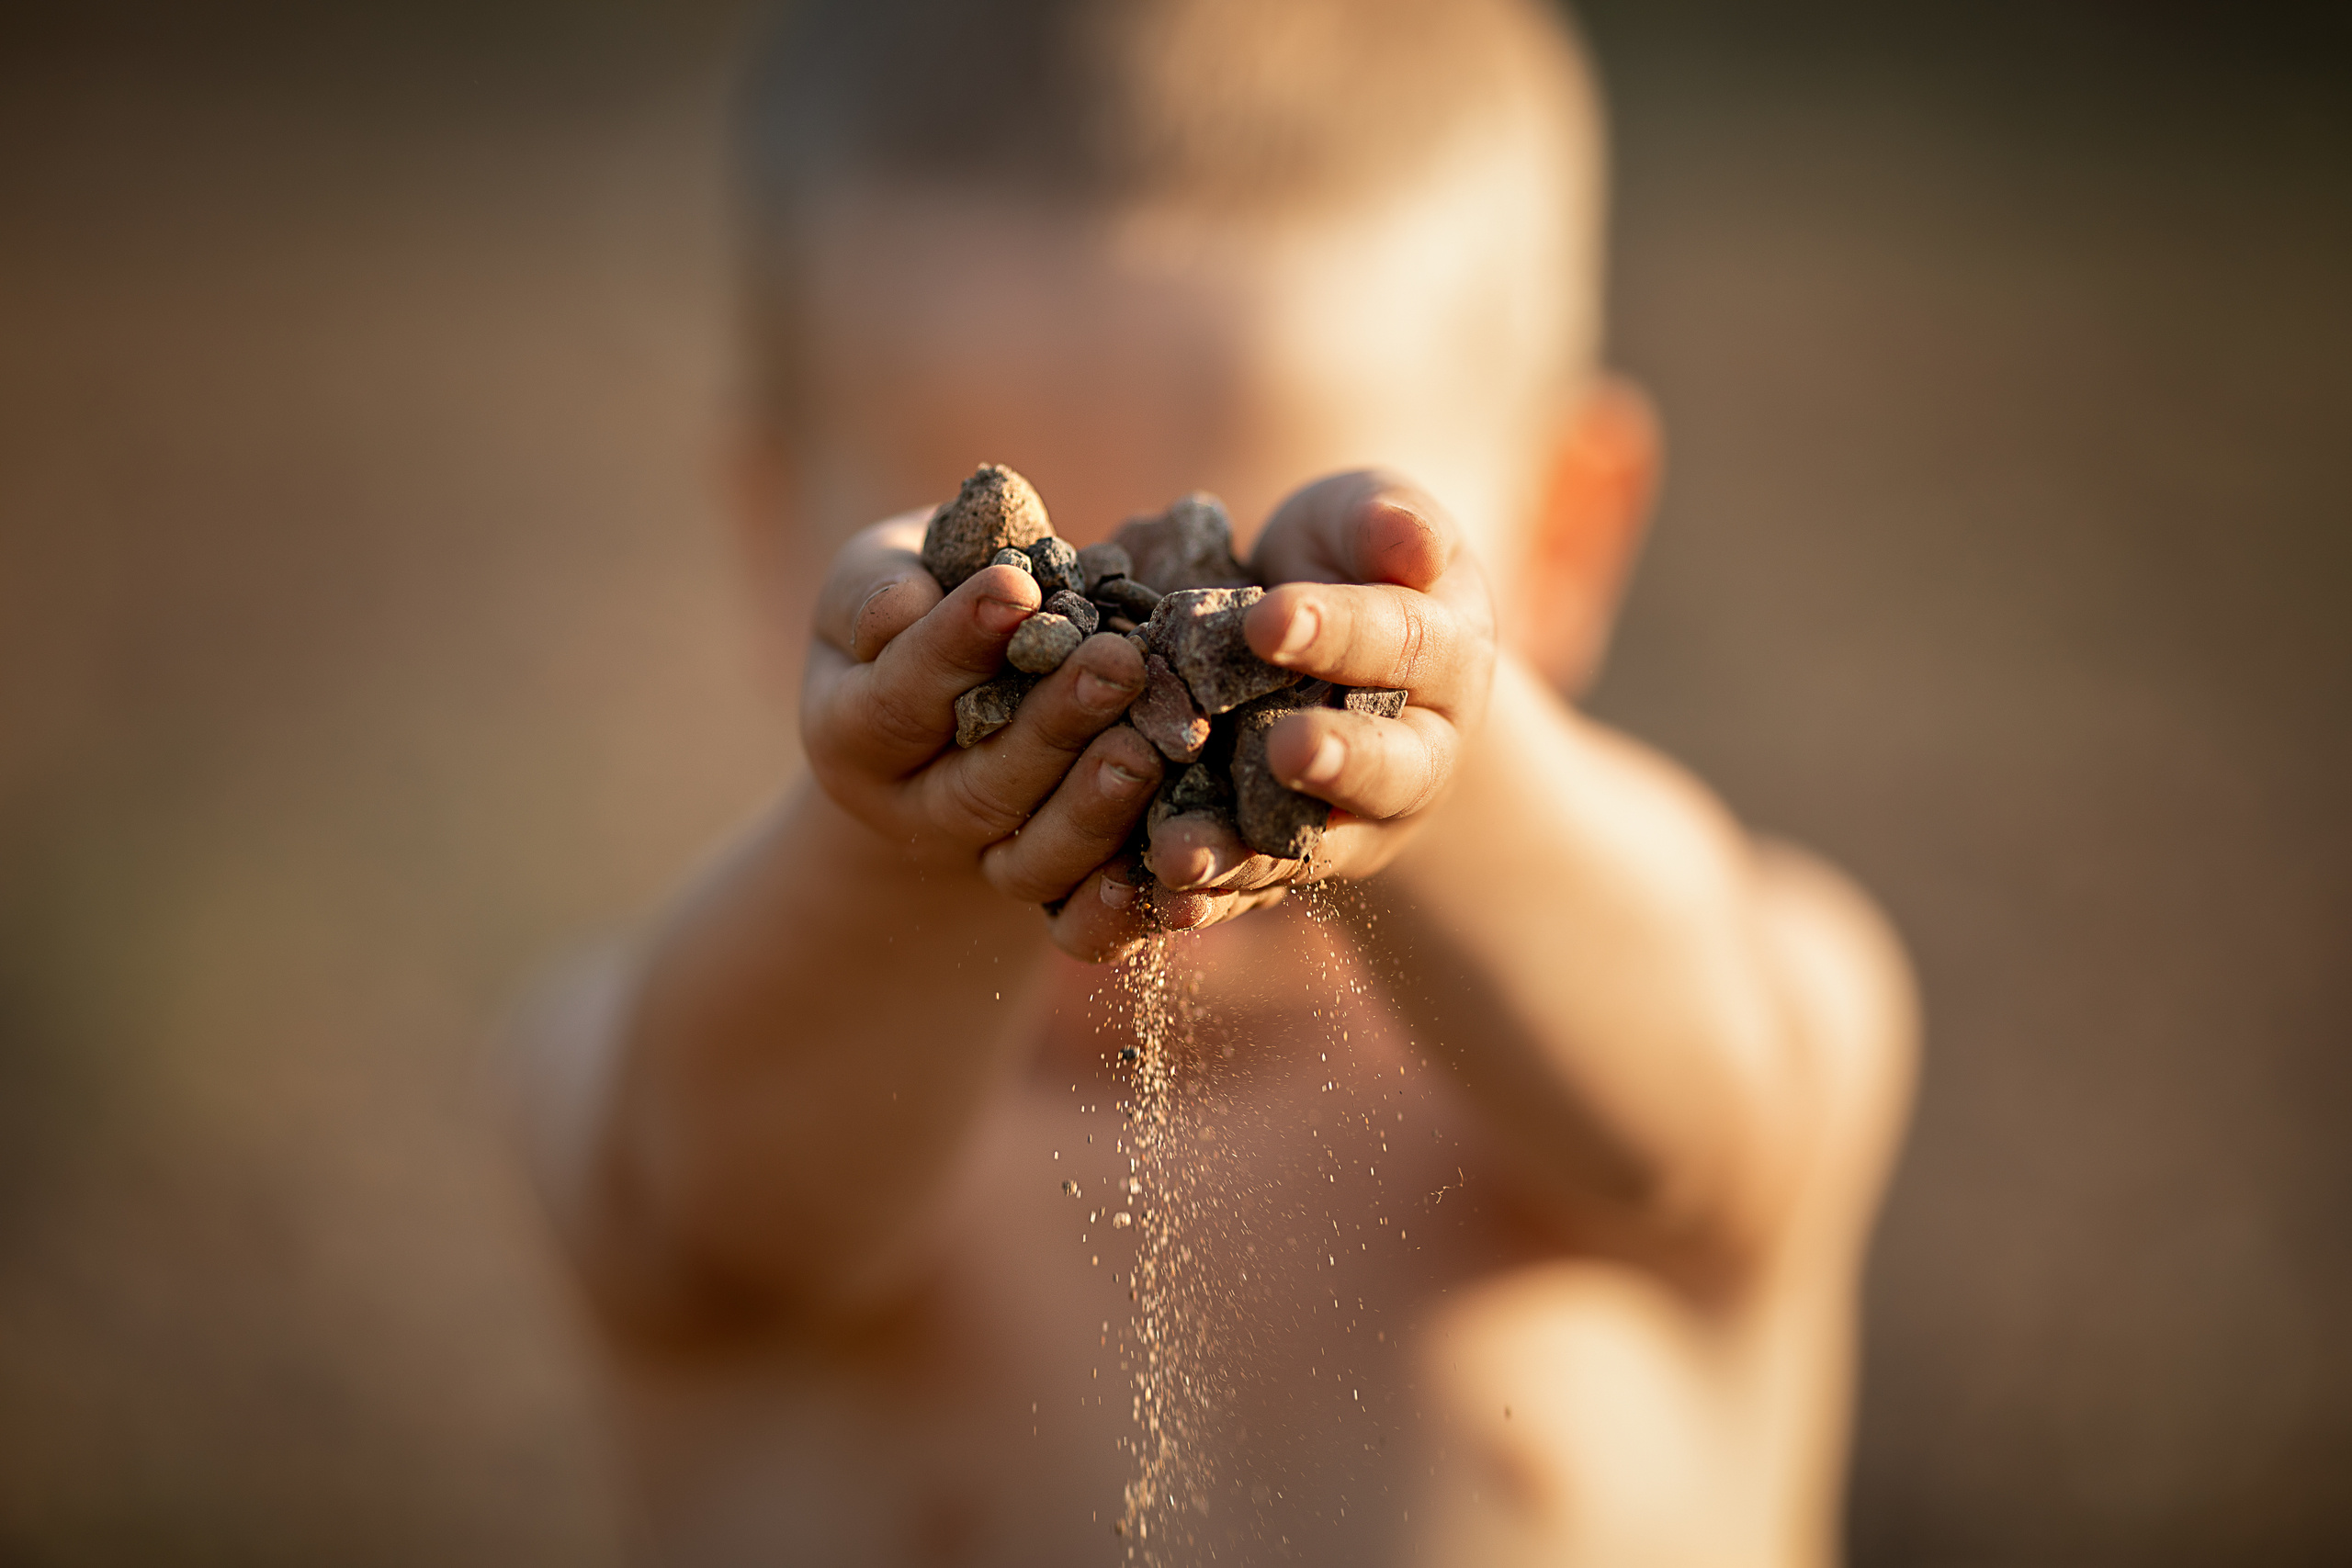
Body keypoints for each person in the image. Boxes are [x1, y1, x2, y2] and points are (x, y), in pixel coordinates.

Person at [514, 0, 1917, 1561]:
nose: (1156, 728)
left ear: (1570, 534)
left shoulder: (1698, 1025)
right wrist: (923, 837)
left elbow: (1713, 1110)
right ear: (783, 548)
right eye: (1022, 643)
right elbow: (723, 1218)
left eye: (1269, 635)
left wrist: (1445, 765)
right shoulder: (692, 1061)